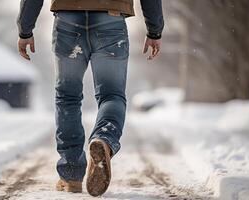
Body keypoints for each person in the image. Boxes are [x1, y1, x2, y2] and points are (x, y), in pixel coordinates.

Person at [17, 0, 164, 196]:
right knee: (111, 94)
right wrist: (154, 30)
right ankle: (104, 138)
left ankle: (71, 174)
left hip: (67, 17)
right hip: (110, 17)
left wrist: (25, 29)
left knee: (67, 97)